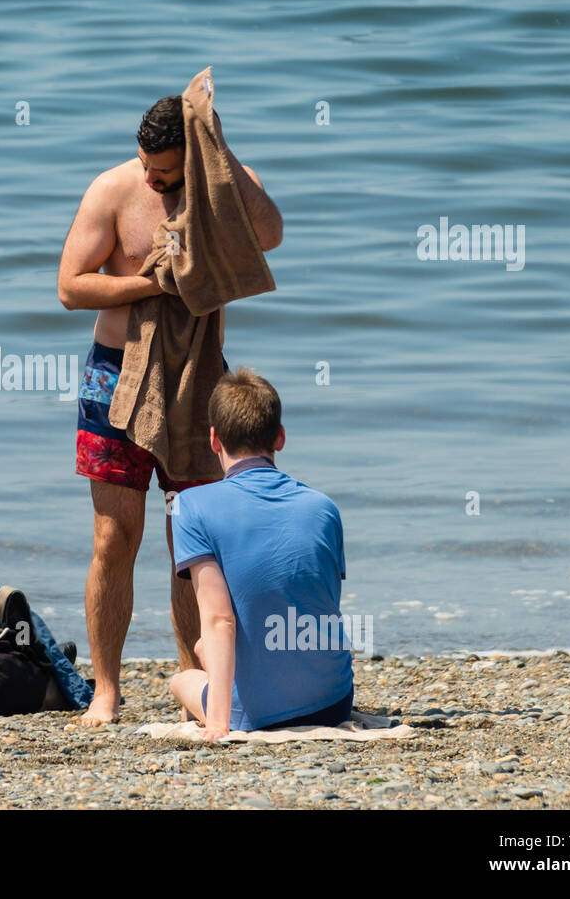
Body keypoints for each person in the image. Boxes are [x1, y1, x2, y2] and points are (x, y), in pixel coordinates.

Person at [56, 93, 283, 724]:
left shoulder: (222, 191)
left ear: (197, 154)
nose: (151, 177)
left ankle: (195, 680)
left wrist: (220, 149)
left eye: (166, 170)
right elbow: (71, 286)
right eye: (146, 163)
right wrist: (154, 283)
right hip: (116, 375)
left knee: (193, 540)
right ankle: (106, 689)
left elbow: (270, 234)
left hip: (197, 377)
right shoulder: (113, 189)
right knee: (113, 536)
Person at [169, 369, 354, 739]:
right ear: (280, 437)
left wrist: (220, 723)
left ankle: (223, 698)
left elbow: (220, 619)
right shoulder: (323, 507)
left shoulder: (190, 506)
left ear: (213, 440)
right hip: (333, 701)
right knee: (215, 643)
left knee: (182, 678)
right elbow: (320, 600)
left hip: (255, 716)